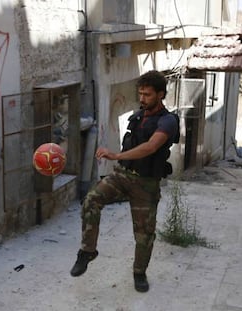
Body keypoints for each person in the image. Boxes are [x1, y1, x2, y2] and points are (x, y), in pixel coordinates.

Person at [70, 70, 179, 293]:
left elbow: (150, 147)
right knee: (91, 200)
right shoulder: (138, 117)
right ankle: (87, 251)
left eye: (147, 94)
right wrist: (118, 161)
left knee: (144, 234)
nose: (142, 98)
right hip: (122, 176)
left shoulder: (168, 121)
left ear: (160, 94)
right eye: (140, 93)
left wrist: (115, 155)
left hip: (146, 184)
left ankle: (139, 273)